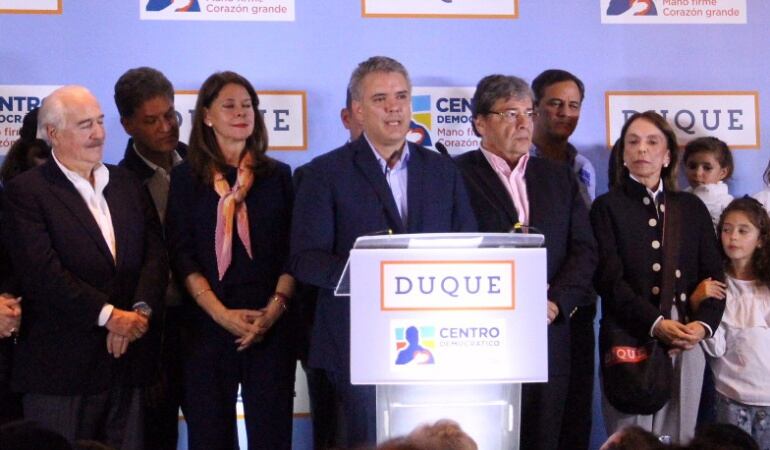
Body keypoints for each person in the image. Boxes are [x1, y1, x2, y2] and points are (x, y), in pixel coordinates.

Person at [289, 56, 477, 447]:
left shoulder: (443, 171)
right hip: (356, 347)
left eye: (401, 97)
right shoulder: (325, 173)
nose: (394, 107)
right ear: (357, 109)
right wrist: (376, 278)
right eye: (380, 99)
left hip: (437, 343)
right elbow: (306, 258)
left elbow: (469, 244)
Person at [1, 85, 168, 449]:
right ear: (53, 134)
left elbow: (155, 256)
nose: (98, 133)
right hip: (61, 373)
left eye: (100, 121)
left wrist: (137, 314)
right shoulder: (26, 192)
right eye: (84, 125)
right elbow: (42, 273)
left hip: (128, 363)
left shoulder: (126, 183)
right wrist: (109, 317)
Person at [455, 74, 597, 450]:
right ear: (480, 123)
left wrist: (556, 302)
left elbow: (584, 249)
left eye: (528, 113)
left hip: (548, 331)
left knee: (546, 435)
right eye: (510, 113)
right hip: (482, 336)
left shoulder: (558, 177)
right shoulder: (454, 175)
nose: (523, 123)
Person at [166, 71, 296, 450]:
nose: (241, 113)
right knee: (210, 438)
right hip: (206, 328)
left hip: (269, 326)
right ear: (206, 116)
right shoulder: (185, 178)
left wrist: (273, 310)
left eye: (247, 105)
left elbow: (294, 252)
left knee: (272, 438)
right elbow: (182, 254)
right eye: (229, 105)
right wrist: (221, 315)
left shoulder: (278, 176)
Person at [592, 111, 725, 444]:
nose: (642, 149)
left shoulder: (690, 207)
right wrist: (655, 324)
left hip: (686, 333)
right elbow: (609, 281)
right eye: (633, 142)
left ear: (667, 156)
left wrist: (702, 326)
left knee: (681, 436)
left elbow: (714, 276)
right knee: (630, 437)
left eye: (652, 142)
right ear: (623, 154)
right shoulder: (607, 207)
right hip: (630, 331)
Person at [113, 66, 188, 450]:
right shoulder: (118, 184)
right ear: (127, 125)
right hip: (156, 332)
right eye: (151, 120)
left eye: (170, 115)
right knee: (157, 435)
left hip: (212, 324)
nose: (166, 127)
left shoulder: (204, 164)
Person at [531, 68, 597, 450]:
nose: (565, 113)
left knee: (575, 414)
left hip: (578, 305)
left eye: (573, 106)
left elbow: (586, 239)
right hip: (533, 308)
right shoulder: (518, 163)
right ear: (535, 107)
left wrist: (567, 295)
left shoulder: (583, 167)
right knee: (537, 419)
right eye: (555, 104)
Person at [295, 87, 362, 450]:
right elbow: (305, 262)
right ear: (347, 118)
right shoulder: (316, 174)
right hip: (333, 342)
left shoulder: (433, 171)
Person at [699, 197, 770, 448]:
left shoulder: (766, 287)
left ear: (760, 239)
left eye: (743, 230)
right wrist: (699, 304)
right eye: (727, 230)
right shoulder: (716, 284)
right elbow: (716, 347)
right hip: (729, 397)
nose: (733, 238)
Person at [683, 136, 734, 229]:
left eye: (707, 168)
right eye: (692, 166)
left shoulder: (728, 206)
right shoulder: (680, 198)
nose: (698, 173)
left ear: (723, 173)